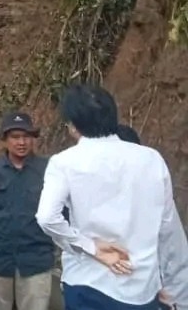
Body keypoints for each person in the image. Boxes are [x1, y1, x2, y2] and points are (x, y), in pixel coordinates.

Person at [36, 83, 188, 310]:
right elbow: (169, 233)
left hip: (87, 285)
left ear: (73, 126)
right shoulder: (151, 160)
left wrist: (91, 247)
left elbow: (47, 217)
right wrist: (180, 295)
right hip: (141, 289)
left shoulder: (64, 162)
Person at [0, 111, 55, 310]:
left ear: (33, 139)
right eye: (15, 137)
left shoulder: (49, 171)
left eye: (26, 136)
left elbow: (60, 213)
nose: (21, 142)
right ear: (4, 140)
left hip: (36, 262)